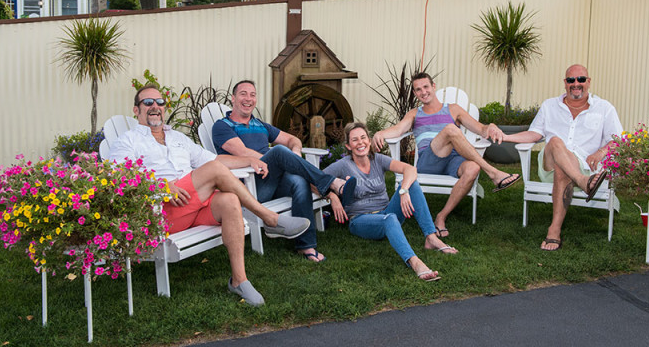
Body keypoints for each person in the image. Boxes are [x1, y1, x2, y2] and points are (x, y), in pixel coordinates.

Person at [108, 84, 312, 306]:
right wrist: (161, 184)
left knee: (229, 200)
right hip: (162, 210)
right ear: (136, 110)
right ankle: (269, 218)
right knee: (214, 173)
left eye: (160, 102)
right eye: (148, 103)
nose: (155, 107)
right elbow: (119, 178)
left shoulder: (177, 138)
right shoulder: (127, 141)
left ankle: (239, 280)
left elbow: (214, 160)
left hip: (192, 205)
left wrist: (251, 160)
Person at [212, 80, 356, 263]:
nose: (248, 99)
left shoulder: (261, 125)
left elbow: (293, 140)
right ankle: (333, 183)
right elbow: (243, 153)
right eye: (243, 94)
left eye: (252, 94)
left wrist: (294, 156)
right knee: (279, 152)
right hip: (250, 187)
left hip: (272, 180)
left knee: (299, 180)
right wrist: (281, 160)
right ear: (233, 98)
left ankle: (306, 245)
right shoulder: (222, 126)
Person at [371, 72, 520, 237]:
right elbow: (398, 129)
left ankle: (441, 217)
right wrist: (380, 133)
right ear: (415, 93)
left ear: (433, 87)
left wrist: (491, 126)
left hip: (453, 160)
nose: (423, 92)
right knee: (450, 129)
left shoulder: (453, 109)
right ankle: (493, 173)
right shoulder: (414, 113)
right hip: (428, 161)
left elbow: (480, 129)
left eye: (426, 87)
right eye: (418, 89)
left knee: (472, 168)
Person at [507, 64, 623, 251]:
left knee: (563, 168)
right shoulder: (549, 106)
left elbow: (618, 140)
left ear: (589, 82)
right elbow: (534, 134)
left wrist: (600, 152)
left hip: (585, 166)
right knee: (554, 141)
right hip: (550, 168)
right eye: (571, 80)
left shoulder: (604, 108)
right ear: (565, 83)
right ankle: (583, 182)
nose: (576, 84)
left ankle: (554, 230)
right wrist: (505, 137)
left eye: (581, 79)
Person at [325, 122, 457, 281]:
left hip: (386, 212)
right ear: (348, 145)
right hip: (361, 220)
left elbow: (410, 169)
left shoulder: (378, 159)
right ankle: (414, 262)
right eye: (355, 140)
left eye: (363, 138)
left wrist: (404, 190)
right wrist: (332, 197)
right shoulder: (342, 165)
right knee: (390, 219)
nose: (360, 143)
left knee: (411, 184)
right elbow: (314, 180)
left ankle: (431, 237)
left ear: (369, 140)